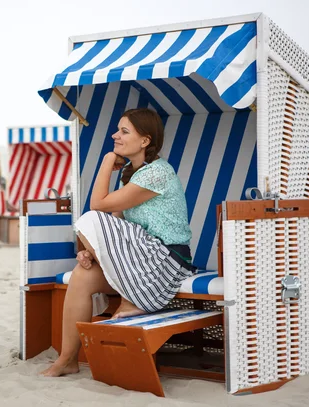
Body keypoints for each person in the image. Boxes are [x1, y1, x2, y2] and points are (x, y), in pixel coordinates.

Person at [41, 108, 196, 377]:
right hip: (142, 259)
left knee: (91, 217)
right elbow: (116, 224)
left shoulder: (158, 173)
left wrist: (106, 163)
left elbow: (97, 206)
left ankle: (131, 296)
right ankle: (67, 359)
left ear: (145, 141)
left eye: (124, 131)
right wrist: (91, 251)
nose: (115, 135)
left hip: (167, 261)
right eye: (117, 130)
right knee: (82, 275)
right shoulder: (132, 173)